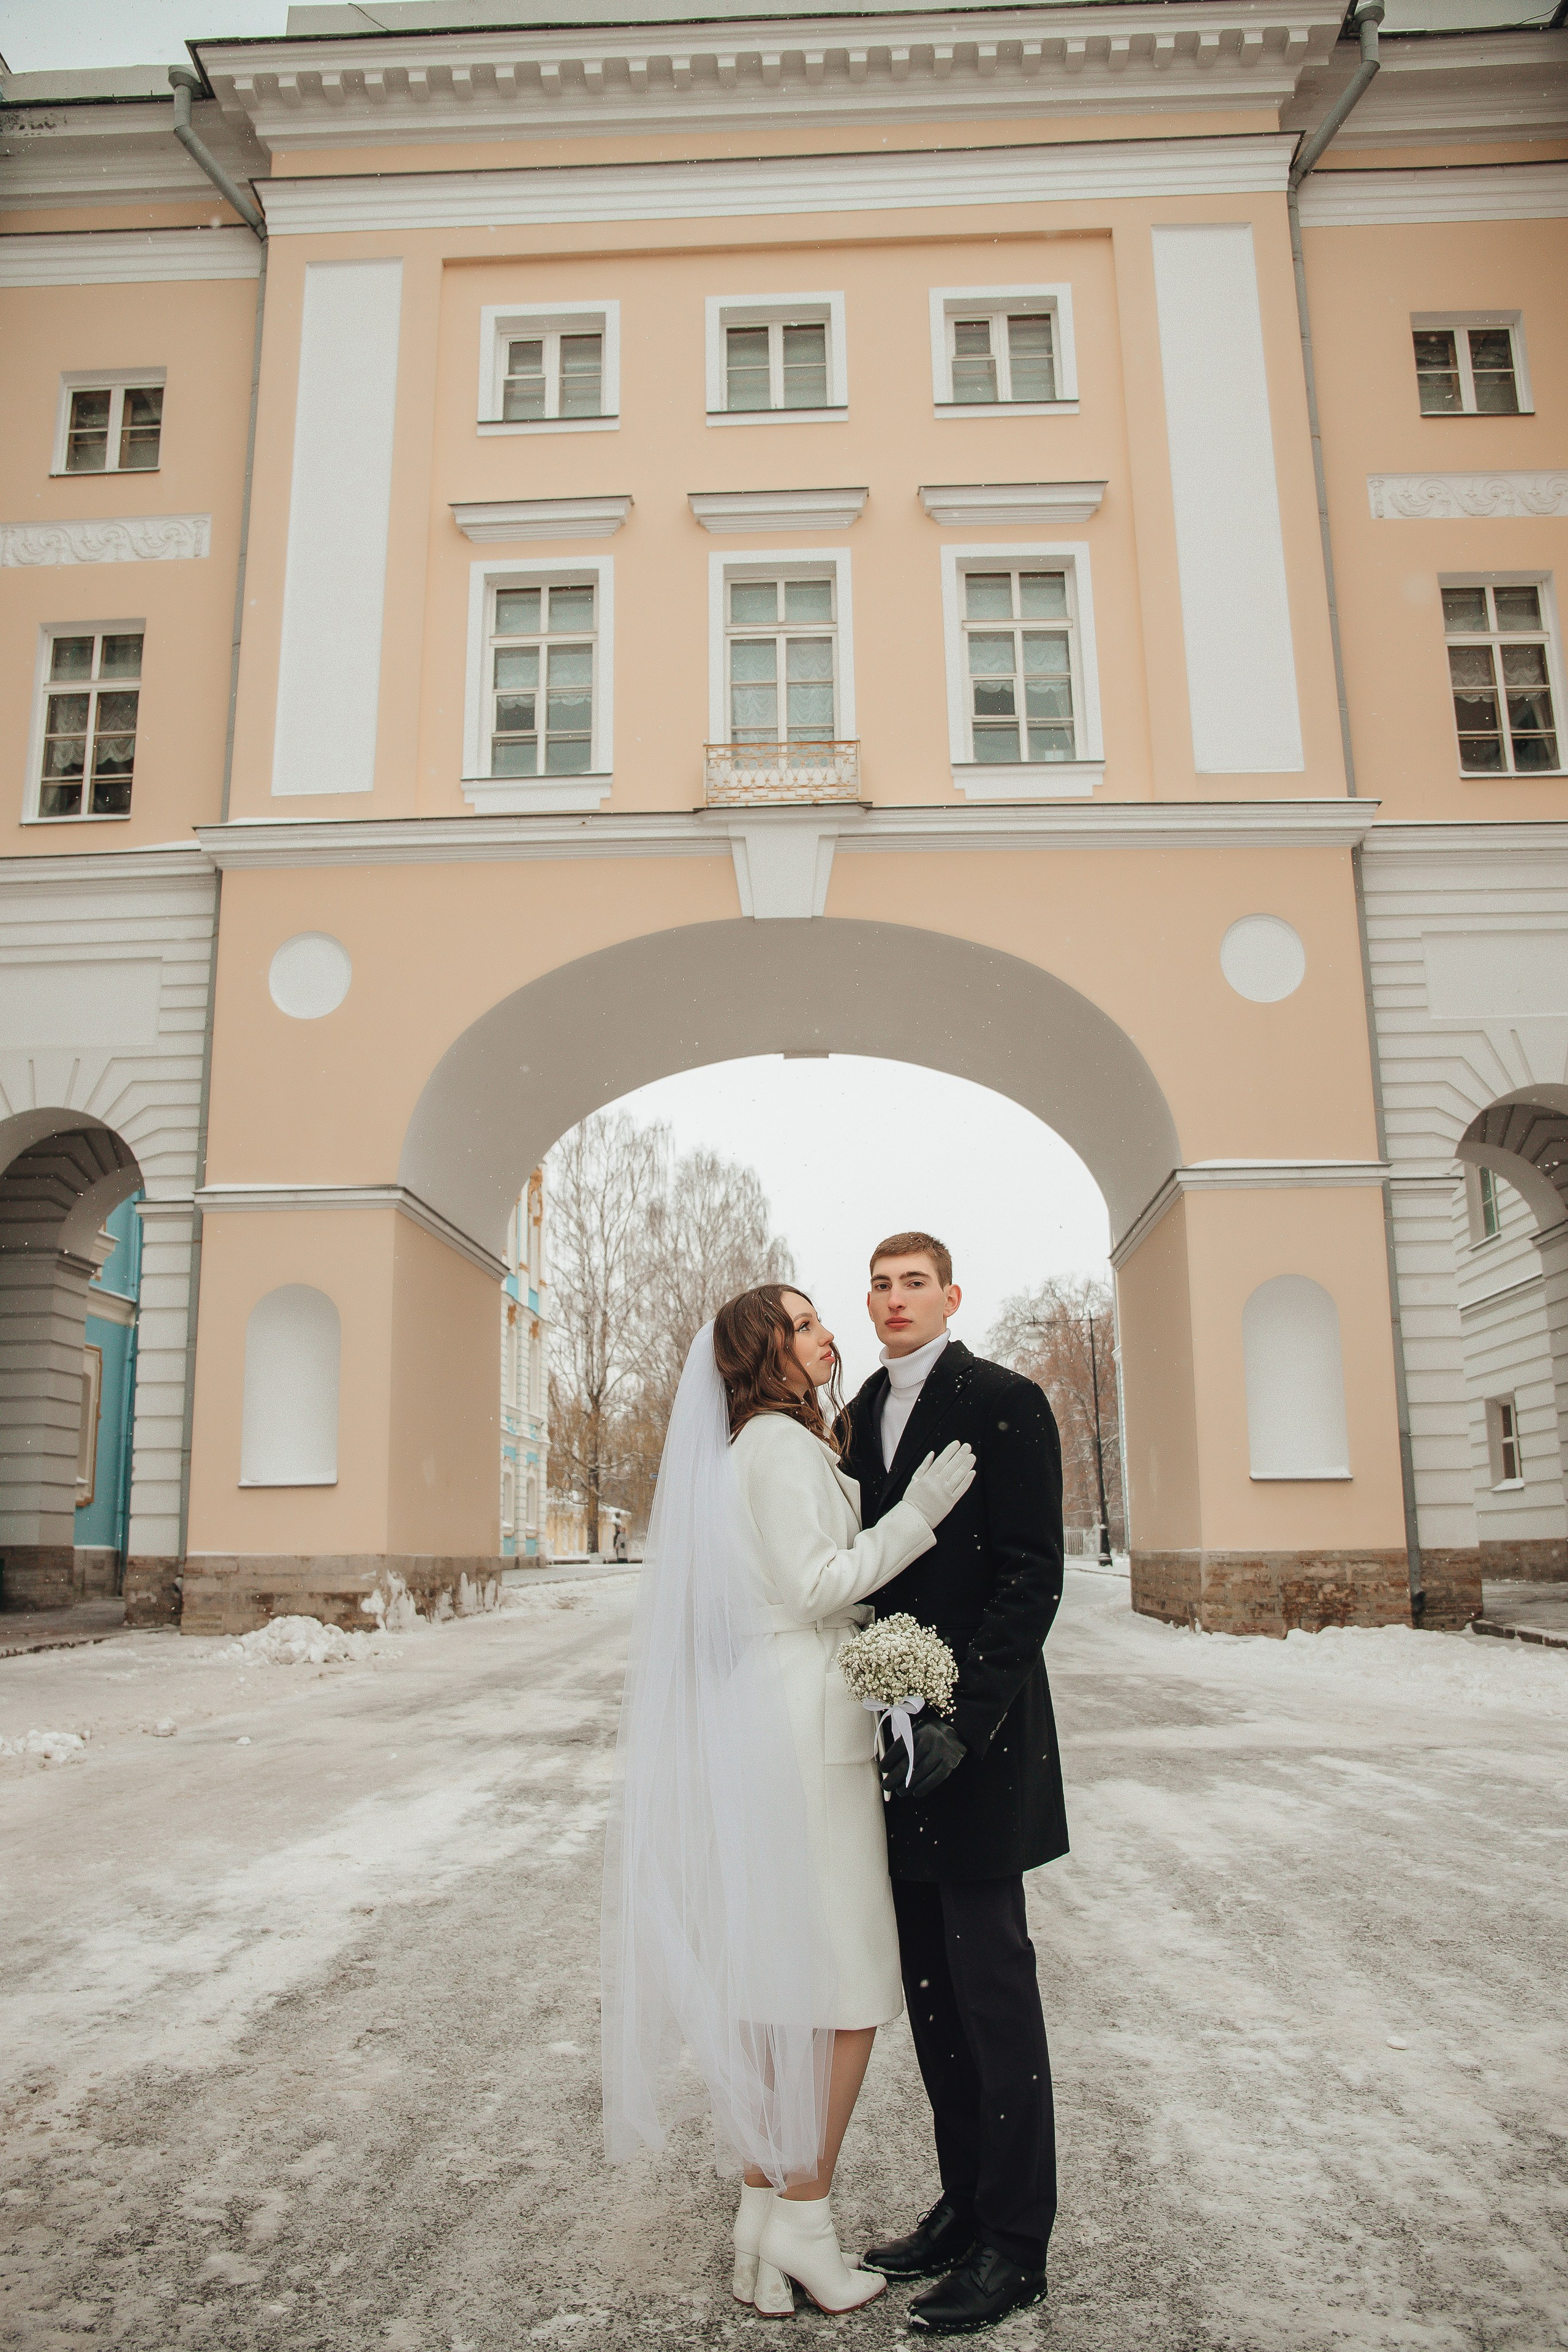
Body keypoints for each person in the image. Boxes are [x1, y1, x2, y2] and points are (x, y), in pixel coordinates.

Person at [601, 1282, 975, 2317]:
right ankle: (805, 2219)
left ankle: (764, 2224)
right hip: (804, 1721)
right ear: (768, 1351)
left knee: (779, 1986)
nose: (829, 1336)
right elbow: (819, 1587)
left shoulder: (757, 1446)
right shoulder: (776, 1447)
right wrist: (918, 1519)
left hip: (771, 1713)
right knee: (846, 1991)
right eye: (807, 1325)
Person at [845, 1232, 1066, 2339]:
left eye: (913, 1283)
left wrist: (963, 1725)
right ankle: (964, 2206)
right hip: (885, 1747)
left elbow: (1032, 1577)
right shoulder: (854, 1418)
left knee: (993, 1993)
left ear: (951, 1296)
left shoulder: (1008, 1400)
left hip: (978, 1747)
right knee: (930, 1989)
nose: (894, 1300)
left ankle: (1016, 2244)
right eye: (879, 1286)